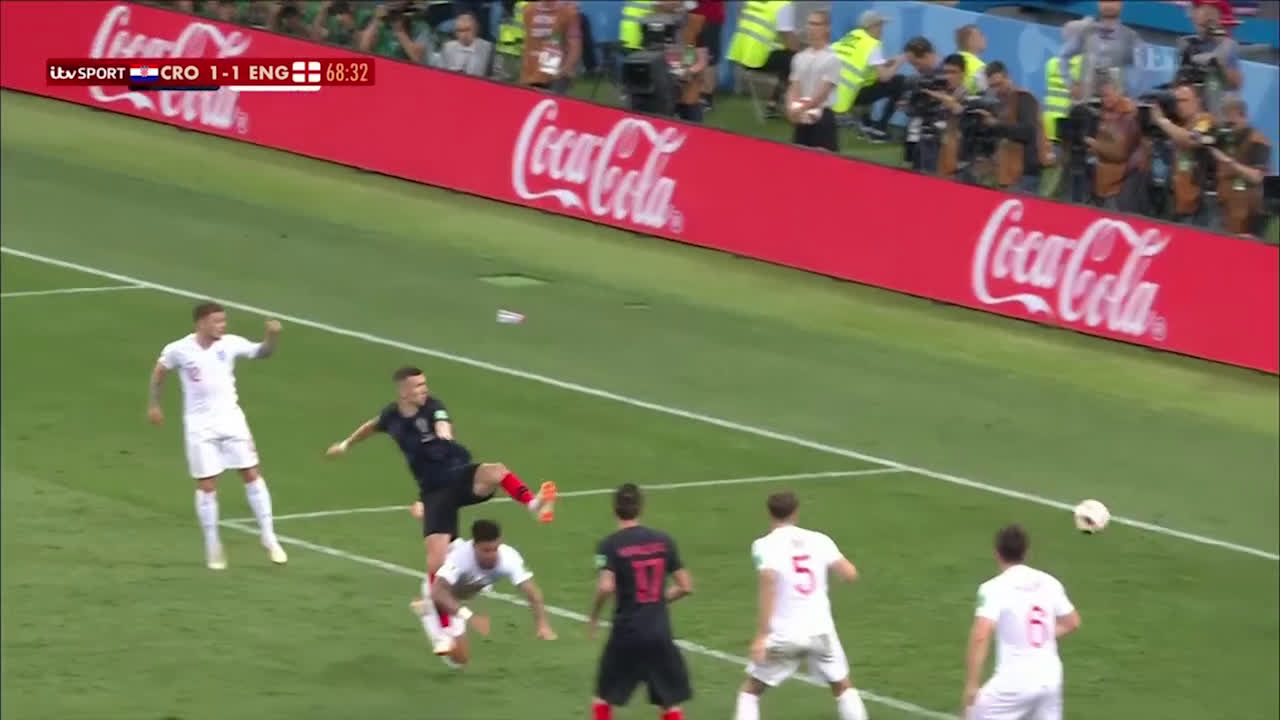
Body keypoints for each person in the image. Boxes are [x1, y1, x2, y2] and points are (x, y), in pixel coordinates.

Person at [325, 366, 557, 656]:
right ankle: (444, 630)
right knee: (436, 562)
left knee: (497, 471)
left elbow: (442, 421)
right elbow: (371, 426)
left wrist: (444, 433)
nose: (424, 389)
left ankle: (534, 504)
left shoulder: (434, 407)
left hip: (459, 474)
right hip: (435, 492)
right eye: (418, 386)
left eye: (425, 384)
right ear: (403, 391)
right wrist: (346, 444)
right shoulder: (390, 416)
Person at [147, 302, 287, 570]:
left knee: (251, 473)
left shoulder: (230, 343)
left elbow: (263, 352)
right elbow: (159, 372)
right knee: (207, 485)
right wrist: (154, 404)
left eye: (224, 321)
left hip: (232, 421)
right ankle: (213, 546)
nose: (222, 326)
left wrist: (272, 336)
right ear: (201, 323)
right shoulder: (179, 349)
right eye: (217, 321)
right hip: (200, 427)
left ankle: (269, 537)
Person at [732, 491, 866, 720]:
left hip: (784, 634)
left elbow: (768, 581)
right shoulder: (820, 539)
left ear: (769, 514)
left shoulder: (762, 546)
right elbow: (850, 574)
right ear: (796, 512)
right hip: (820, 631)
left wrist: (762, 636)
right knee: (842, 686)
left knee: (751, 691)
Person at [588, 483, 694, 720]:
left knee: (603, 698)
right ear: (641, 508)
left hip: (626, 633)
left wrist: (594, 616)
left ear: (615, 509)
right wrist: (658, 600)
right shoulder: (664, 541)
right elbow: (686, 586)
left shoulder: (608, 545)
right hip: (660, 633)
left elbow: (605, 586)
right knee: (669, 703)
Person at [963, 524, 1082, 720]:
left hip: (1014, 683)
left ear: (997, 554)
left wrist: (972, 684)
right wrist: (1038, 637)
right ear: (1026, 553)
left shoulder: (993, 588)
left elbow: (980, 635)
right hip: (1050, 678)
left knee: (972, 713)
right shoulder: (1050, 582)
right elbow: (1072, 622)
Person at [423, 519, 556, 667]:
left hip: (463, 595)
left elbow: (531, 592)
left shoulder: (508, 558)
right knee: (459, 660)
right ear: (474, 546)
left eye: (495, 548)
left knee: (461, 660)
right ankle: (426, 610)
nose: (492, 555)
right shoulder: (460, 559)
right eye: (486, 550)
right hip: (443, 600)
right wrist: (470, 616)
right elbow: (438, 593)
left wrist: (542, 624)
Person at [1150, 81, 1218, 228]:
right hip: (1174, 200)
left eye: (1184, 100)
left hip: (1197, 204)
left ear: (1198, 101)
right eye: (1176, 101)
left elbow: (1191, 140)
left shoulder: (1206, 120)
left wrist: (1162, 121)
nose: (1179, 105)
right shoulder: (1180, 122)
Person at [1057, 0, 1142, 102]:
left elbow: (1137, 69)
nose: (1109, 4)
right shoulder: (1087, 32)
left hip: (1114, 104)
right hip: (1085, 102)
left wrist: (1125, 94)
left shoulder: (1130, 36)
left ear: (1121, 4)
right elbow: (1064, 56)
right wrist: (1070, 84)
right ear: (1099, 3)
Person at [983, 61, 1048, 195]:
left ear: (1008, 78)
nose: (996, 90)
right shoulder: (999, 103)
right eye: (992, 87)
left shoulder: (1024, 98)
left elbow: (1028, 131)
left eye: (999, 84)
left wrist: (996, 125)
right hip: (1006, 171)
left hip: (1025, 172)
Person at [1212, 95, 1272, 237]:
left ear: (1243, 115)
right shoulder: (1225, 137)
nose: (1228, 128)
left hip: (1246, 211)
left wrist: (1228, 162)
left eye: (1231, 123)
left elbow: (1257, 176)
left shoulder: (1258, 140)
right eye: (1225, 124)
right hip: (1222, 206)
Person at [786, 10, 840, 152]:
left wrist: (801, 109)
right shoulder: (799, 57)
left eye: (816, 24)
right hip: (802, 116)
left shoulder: (832, 58)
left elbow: (823, 93)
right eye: (809, 24)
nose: (811, 28)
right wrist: (791, 108)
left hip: (822, 117)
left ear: (826, 28)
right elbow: (794, 86)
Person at [520, 0, 582, 93]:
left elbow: (575, 45)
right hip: (530, 74)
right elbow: (528, 41)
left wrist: (565, 70)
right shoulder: (529, 10)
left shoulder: (568, 13)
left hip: (555, 77)